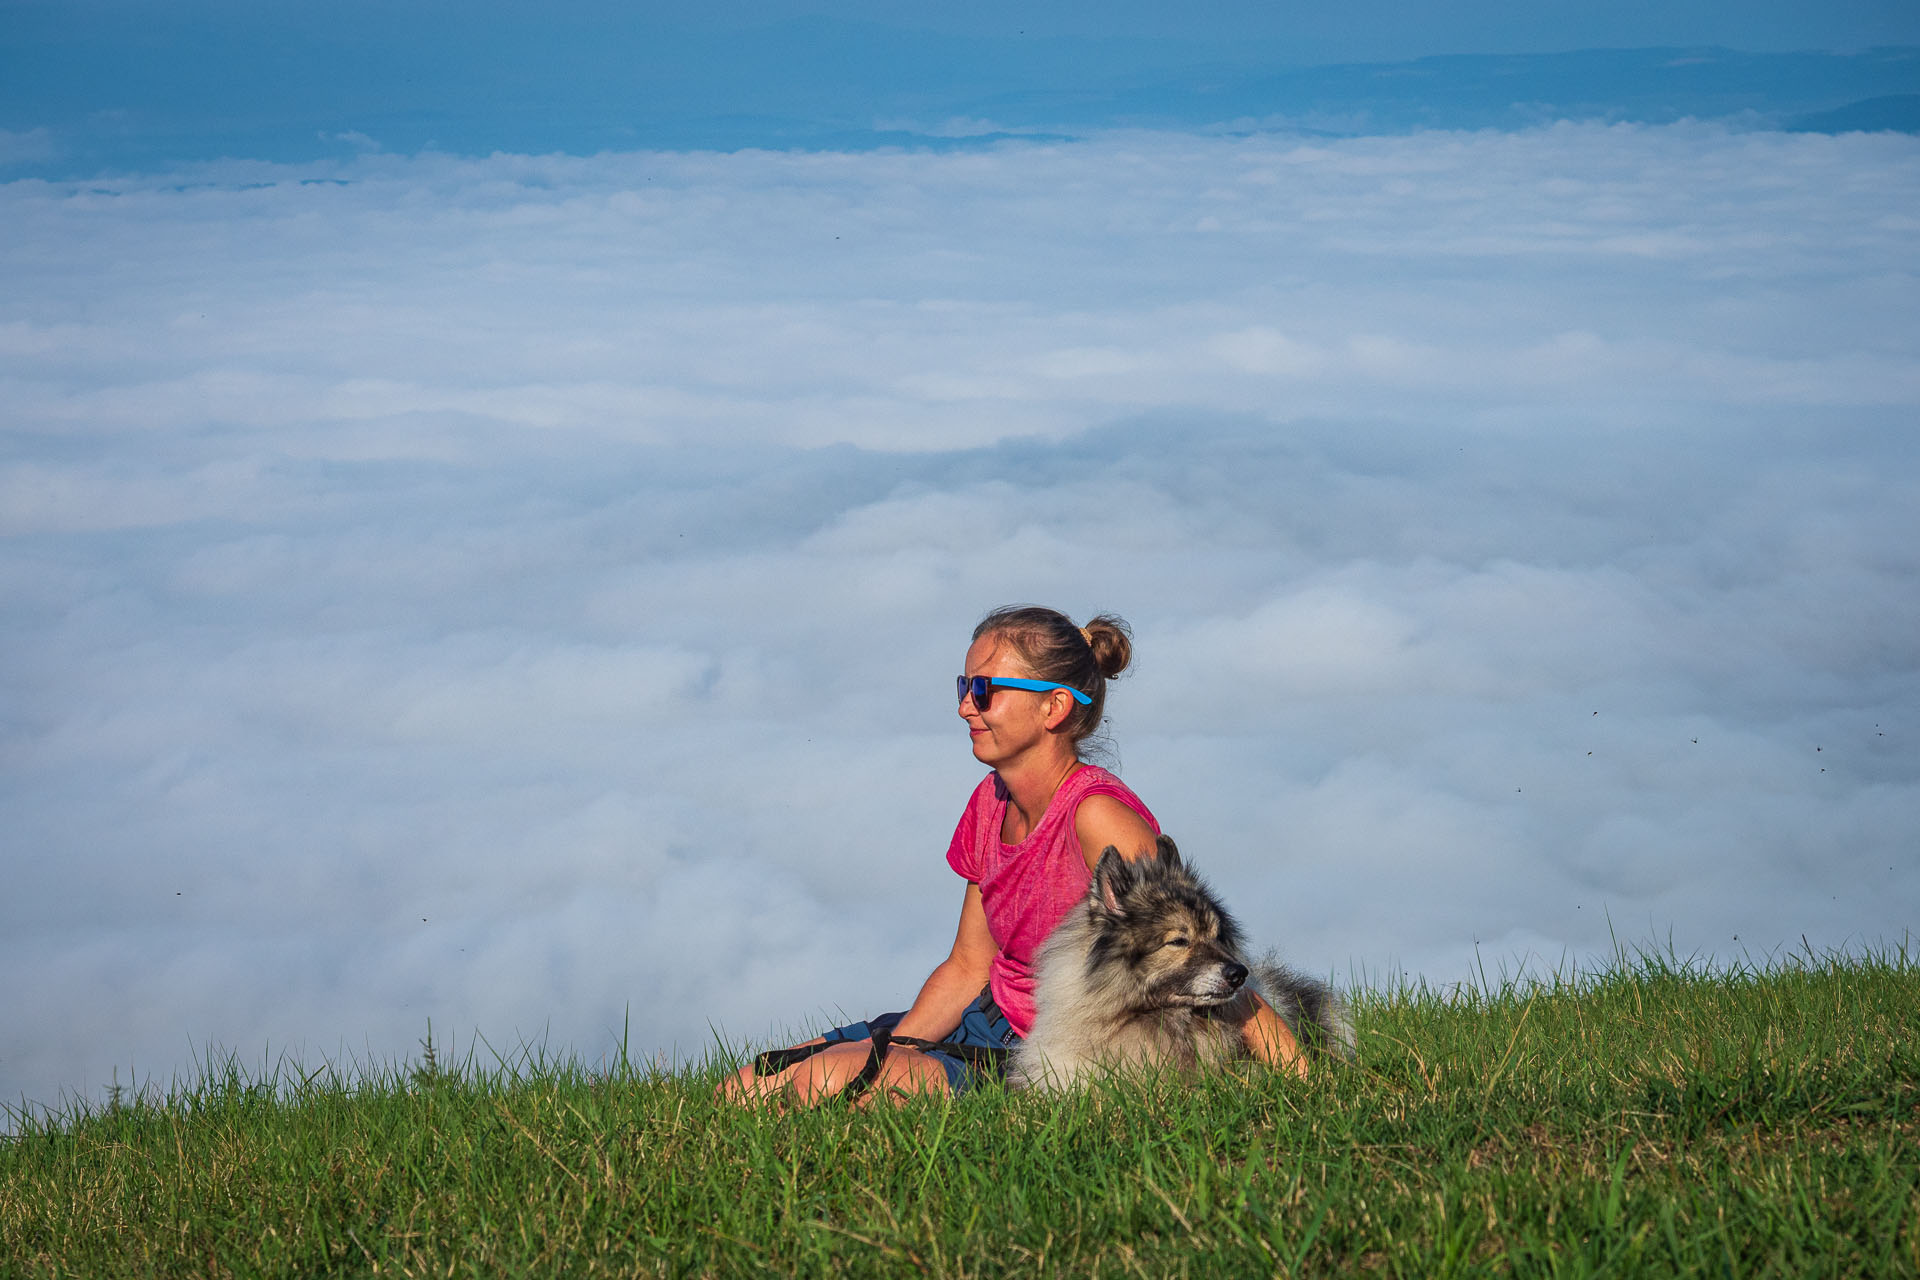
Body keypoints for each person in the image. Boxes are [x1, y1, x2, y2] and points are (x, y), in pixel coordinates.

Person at [722, 605, 1304, 1105]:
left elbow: (1200, 959)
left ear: (1053, 709)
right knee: (750, 1087)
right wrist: (900, 1046)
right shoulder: (989, 803)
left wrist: (1308, 1086)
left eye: (985, 691)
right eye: (964, 688)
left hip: (1052, 1050)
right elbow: (968, 967)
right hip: (986, 1015)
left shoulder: (1097, 815)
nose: (965, 708)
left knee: (826, 1082)